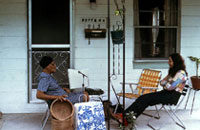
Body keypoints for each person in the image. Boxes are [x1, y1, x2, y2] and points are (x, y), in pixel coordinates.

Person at [113, 53, 188, 123]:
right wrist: (168, 81)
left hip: (171, 96)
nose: (168, 62)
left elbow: (169, 87)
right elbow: (162, 82)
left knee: (145, 99)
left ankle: (126, 119)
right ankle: (125, 116)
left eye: (170, 61)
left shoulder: (181, 73)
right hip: (166, 93)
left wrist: (167, 83)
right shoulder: (174, 72)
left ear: (176, 62)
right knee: (143, 98)